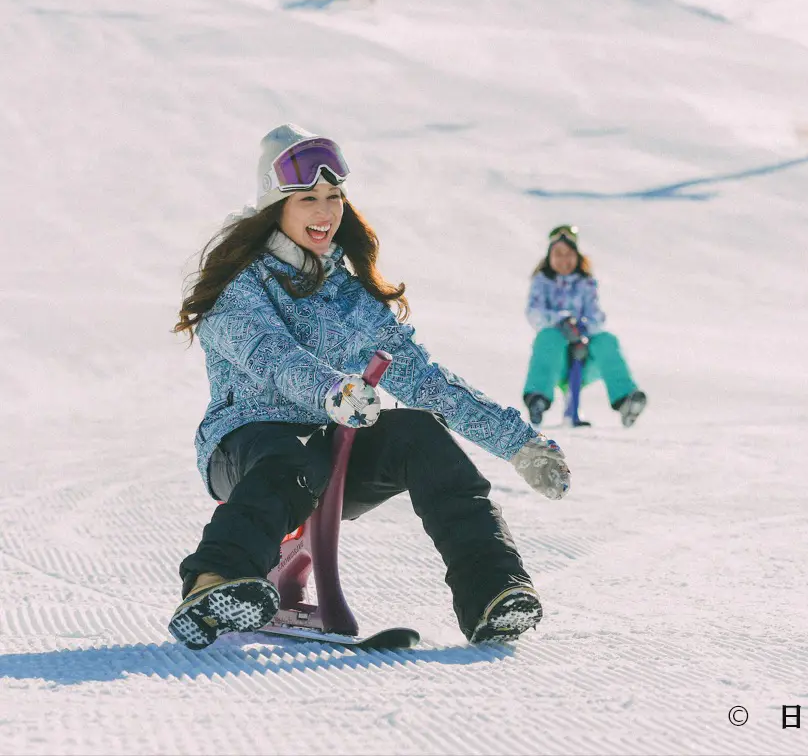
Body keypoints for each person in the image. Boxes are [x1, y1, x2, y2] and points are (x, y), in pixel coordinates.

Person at [168, 124, 571, 650]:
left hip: (330, 447)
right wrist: (332, 389)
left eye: (334, 197)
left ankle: (494, 592)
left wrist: (519, 442)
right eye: (308, 198)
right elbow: (269, 355)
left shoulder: (347, 298)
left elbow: (426, 380)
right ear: (276, 207)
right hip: (245, 444)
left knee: (419, 435)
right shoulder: (241, 282)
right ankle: (214, 583)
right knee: (291, 459)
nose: (325, 212)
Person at [522, 225, 646, 427]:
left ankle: (625, 399)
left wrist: (581, 331)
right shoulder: (542, 282)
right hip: (556, 361)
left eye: (569, 254)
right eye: (558, 254)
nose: (564, 260)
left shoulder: (586, 283)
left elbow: (596, 316)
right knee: (549, 338)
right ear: (549, 257)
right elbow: (534, 312)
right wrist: (562, 322)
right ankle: (538, 399)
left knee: (606, 340)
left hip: (584, 359)